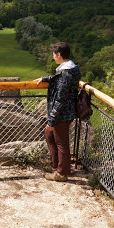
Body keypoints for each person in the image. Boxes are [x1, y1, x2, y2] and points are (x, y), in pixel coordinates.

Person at [34, 42, 81, 182]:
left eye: (54, 55)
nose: (53, 57)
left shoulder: (66, 72)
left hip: (62, 113)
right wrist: (45, 78)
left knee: (61, 143)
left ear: (59, 55)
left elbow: (60, 98)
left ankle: (61, 173)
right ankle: (59, 166)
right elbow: (59, 81)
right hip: (65, 112)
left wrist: (52, 119)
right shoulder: (69, 69)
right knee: (50, 135)